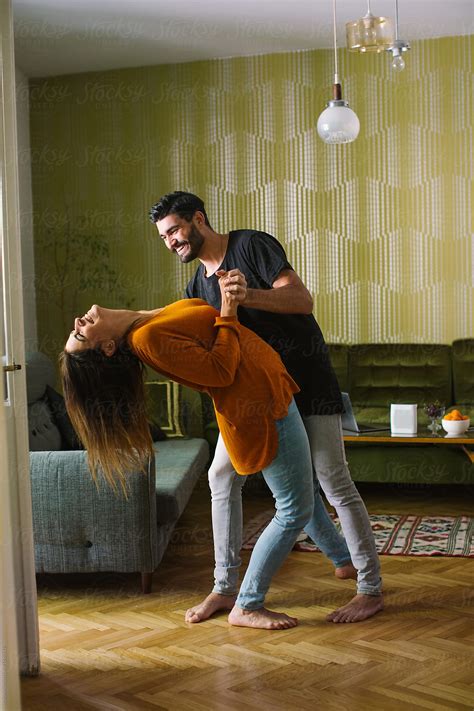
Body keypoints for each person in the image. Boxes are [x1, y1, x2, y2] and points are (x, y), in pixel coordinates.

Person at [149, 191, 383, 624]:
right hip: (257, 399)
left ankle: (369, 589)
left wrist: (247, 296)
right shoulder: (195, 285)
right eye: (164, 236)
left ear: (199, 219)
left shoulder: (251, 245)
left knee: (332, 479)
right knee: (225, 475)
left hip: (307, 383)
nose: (170, 242)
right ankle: (224, 587)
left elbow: (302, 300)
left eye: (175, 230)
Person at [61, 284, 328, 630]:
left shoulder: (144, 322)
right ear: (107, 347)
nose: (78, 323)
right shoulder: (147, 338)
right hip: (259, 404)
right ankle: (247, 604)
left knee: (295, 492)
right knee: (294, 508)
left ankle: (342, 563)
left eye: (75, 330)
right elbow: (220, 371)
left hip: (265, 393)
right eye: (80, 334)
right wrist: (229, 310)